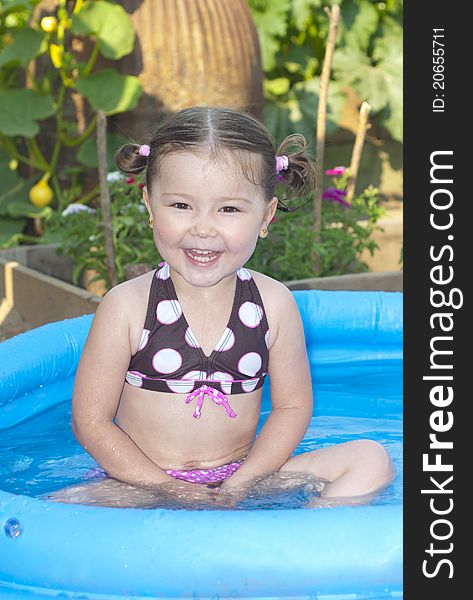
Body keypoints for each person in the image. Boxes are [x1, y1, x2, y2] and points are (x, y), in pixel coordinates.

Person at [47, 106, 394, 508]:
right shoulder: (126, 306)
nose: (203, 228)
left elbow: (292, 407)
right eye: (181, 206)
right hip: (142, 484)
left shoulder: (274, 304)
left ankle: (302, 544)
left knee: (371, 459)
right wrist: (170, 489)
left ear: (265, 216)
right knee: (61, 508)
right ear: (149, 205)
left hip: (246, 477)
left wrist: (241, 483)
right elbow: (90, 422)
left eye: (228, 209)